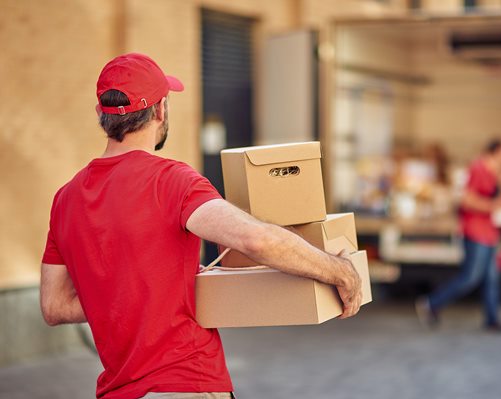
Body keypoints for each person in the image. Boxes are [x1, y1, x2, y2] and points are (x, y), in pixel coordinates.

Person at [39, 53, 363, 399]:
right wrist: (341, 272)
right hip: (185, 383)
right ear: (161, 109)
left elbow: (54, 306)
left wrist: (127, 297)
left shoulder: (66, 199)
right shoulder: (171, 181)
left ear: (100, 114)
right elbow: (255, 239)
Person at [416, 139, 501, 332]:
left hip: (489, 233)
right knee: (470, 277)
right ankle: (431, 304)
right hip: (476, 232)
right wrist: (493, 206)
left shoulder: (493, 172)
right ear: (494, 152)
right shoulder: (478, 169)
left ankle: (493, 319)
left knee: (492, 278)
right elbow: (467, 200)